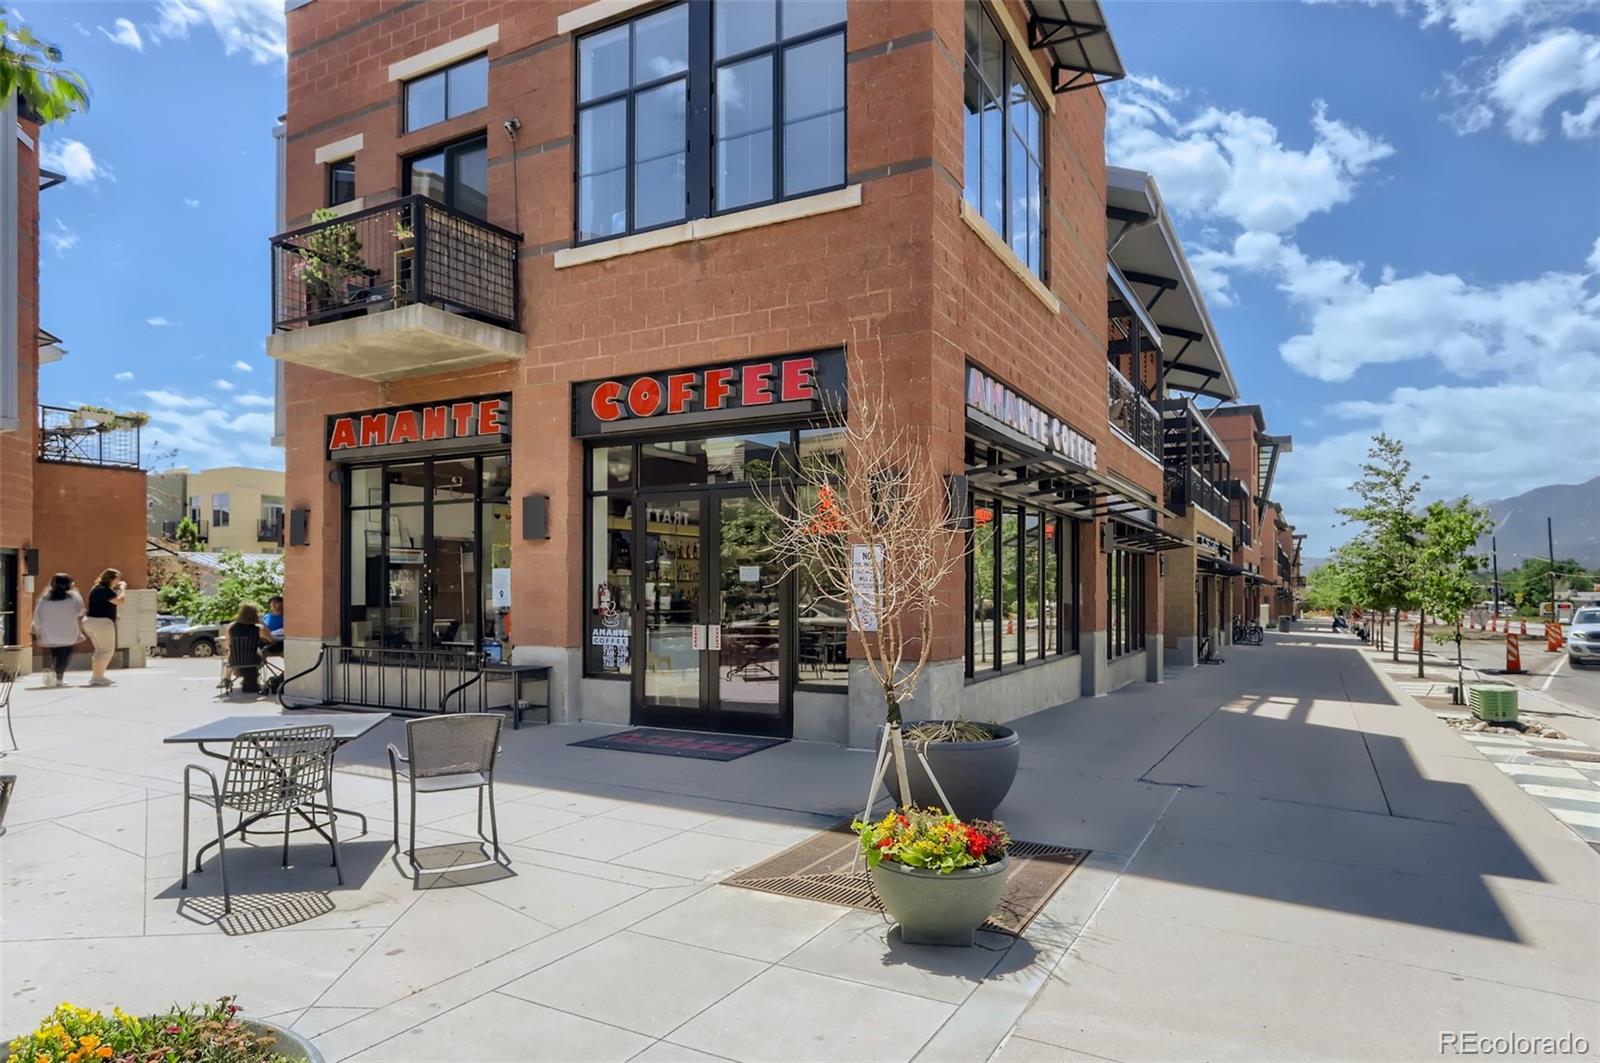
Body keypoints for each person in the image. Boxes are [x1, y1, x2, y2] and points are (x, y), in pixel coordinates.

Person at [30, 573, 84, 688]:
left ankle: (51, 672)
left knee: (54, 653)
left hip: (49, 632)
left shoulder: (44, 598)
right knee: (64, 655)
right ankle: (59, 678)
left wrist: (37, 630)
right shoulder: (74, 596)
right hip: (68, 632)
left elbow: (37, 617)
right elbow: (80, 612)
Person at [83, 568, 126, 688]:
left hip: (90, 622)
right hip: (101, 623)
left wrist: (114, 614)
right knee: (106, 651)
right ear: (111, 579)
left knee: (100, 650)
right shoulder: (104, 590)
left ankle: (97, 676)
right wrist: (123, 589)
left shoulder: (97, 588)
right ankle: (98, 677)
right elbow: (120, 601)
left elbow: (102, 605)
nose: (119, 581)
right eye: (117, 579)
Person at [220, 602, 277, 692]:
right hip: (253, 660)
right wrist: (261, 622)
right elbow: (271, 640)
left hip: (234, 661)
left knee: (232, 652)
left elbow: (228, 645)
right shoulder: (258, 629)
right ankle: (254, 678)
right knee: (262, 652)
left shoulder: (231, 627)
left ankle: (227, 679)